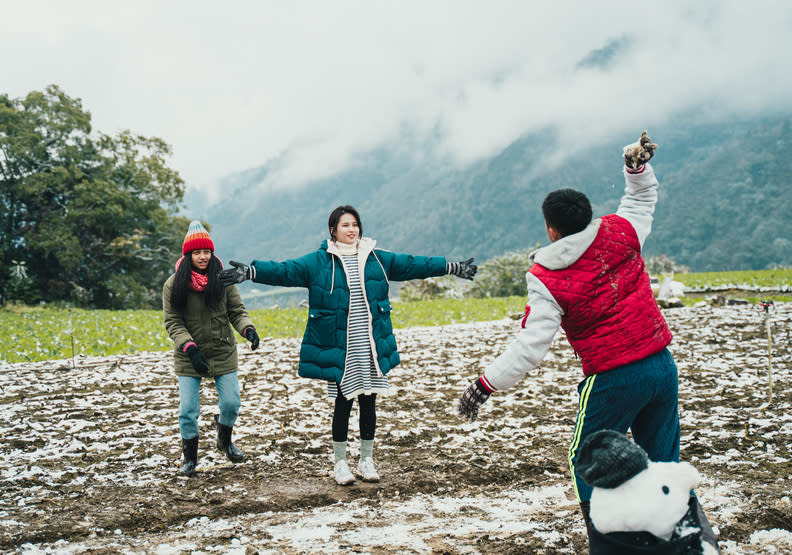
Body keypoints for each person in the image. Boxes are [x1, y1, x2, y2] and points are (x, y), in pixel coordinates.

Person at [456, 132, 720, 552]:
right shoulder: (621, 232)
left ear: (550, 228)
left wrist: (485, 384)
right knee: (664, 457)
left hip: (613, 378)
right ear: (588, 215)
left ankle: (607, 542)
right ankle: (691, 537)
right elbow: (640, 200)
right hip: (661, 365)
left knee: (586, 457)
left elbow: (531, 346)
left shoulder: (546, 277)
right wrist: (635, 169)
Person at [219, 205, 477, 485]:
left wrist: (453, 267)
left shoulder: (376, 258)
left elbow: (415, 264)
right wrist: (252, 272)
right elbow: (285, 271)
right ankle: (340, 464)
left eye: (355, 224)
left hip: (370, 346)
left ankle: (367, 460)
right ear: (333, 230)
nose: (352, 229)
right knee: (343, 404)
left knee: (369, 403)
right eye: (345, 225)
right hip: (341, 348)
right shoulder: (318, 262)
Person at [163, 220, 260, 476]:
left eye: (206, 251)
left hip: (222, 350)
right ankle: (190, 458)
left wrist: (248, 329)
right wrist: (190, 349)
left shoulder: (224, 280)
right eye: (197, 252)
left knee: (231, 403)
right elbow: (173, 322)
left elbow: (236, 312)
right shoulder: (174, 285)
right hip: (189, 355)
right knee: (187, 411)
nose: (203, 256)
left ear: (212, 252)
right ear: (188, 255)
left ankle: (225, 440)